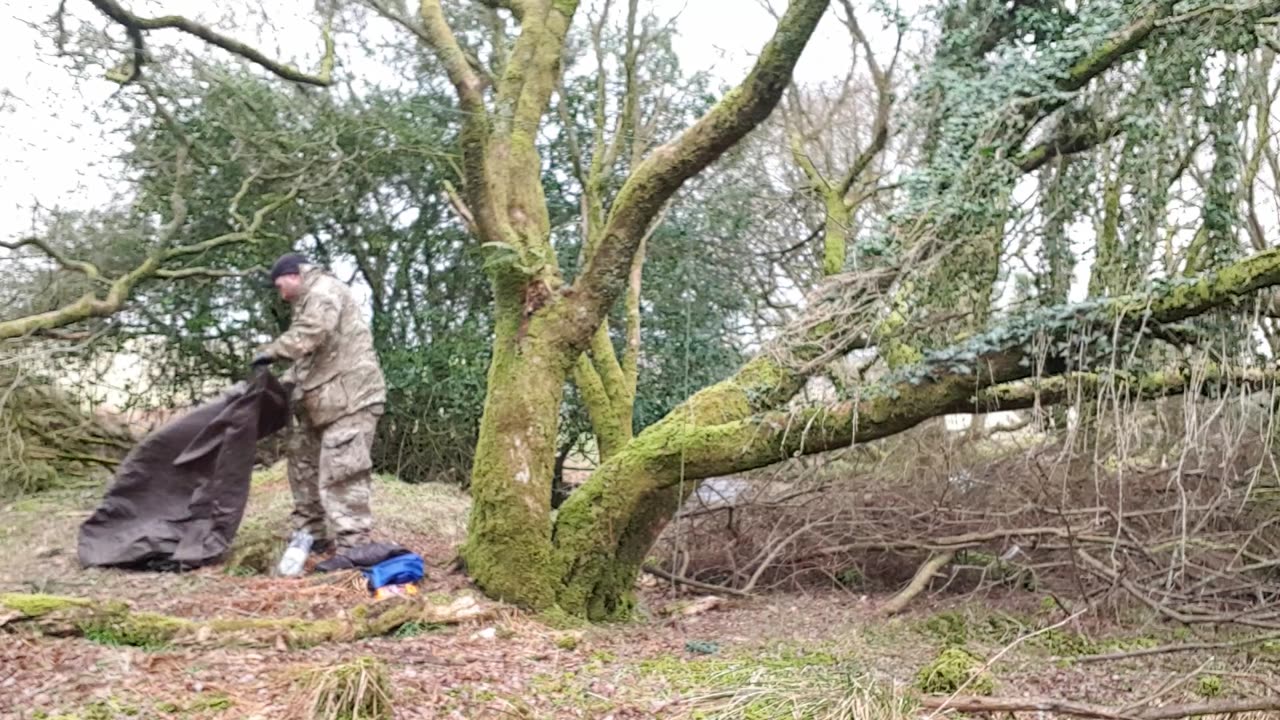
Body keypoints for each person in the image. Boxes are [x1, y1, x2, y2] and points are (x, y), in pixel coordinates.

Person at [253, 252, 386, 554]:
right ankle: (310, 536)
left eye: (279, 286)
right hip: (322, 403)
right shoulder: (308, 301)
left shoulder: (324, 291)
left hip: (352, 400)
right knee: (303, 464)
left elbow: (311, 334)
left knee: (343, 470)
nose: (281, 294)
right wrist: (281, 384)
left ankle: (354, 547)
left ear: (294, 275)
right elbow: (311, 360)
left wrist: (271, 352)